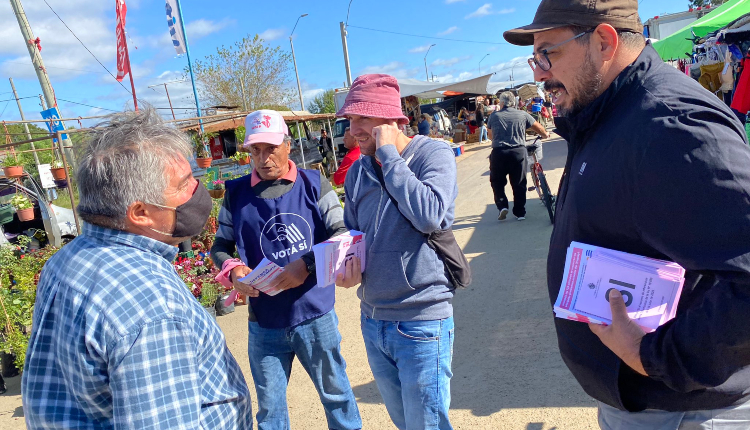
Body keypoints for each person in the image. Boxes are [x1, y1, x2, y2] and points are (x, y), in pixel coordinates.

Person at [505, 0, 750, 428]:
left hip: (682, 410)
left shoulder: (671, 125)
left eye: (549, 52)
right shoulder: (608, 110)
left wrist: (654, 356)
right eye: (535, 56)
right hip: (647, 403)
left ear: (603, 41)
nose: (538, 72)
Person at [22, 109, 252, 429]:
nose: (197, 190)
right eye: (185, 184)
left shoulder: (65, 260)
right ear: (140, 212)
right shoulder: (152, 304)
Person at [211, 110, 362, 430]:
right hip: (264, 323)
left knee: (336, 395)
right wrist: (235, 271)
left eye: (271, 148)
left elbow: (341, 235)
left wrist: (306, 266)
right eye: (255, 150)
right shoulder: (235, 194)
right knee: (270, 412)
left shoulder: (313, 183)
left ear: (287, 145)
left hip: (315, 315)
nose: (263, 158)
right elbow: (220, 246)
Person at [335, 74, 458, 430]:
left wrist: (389, 155)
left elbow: (430, 216)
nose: (352, 128)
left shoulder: (433, 153)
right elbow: (353, 230)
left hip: (421, 319)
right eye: (350, 119)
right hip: (373, 319)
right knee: (406, 424)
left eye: (362, 118)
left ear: (389, 119)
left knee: (427, 425)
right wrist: (346, 263)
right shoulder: (358, 171)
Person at [487, 91, 549, 221]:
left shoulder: (494, 116)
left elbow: (490, 135)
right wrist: (545, 135)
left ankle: (502, 206)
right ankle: (520, 212)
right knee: (519, 182)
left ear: (502, 103)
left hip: (499, 152)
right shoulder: (523, 114)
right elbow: (539, 128)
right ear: (514, 103)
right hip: (518, 152)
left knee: (497, 182)